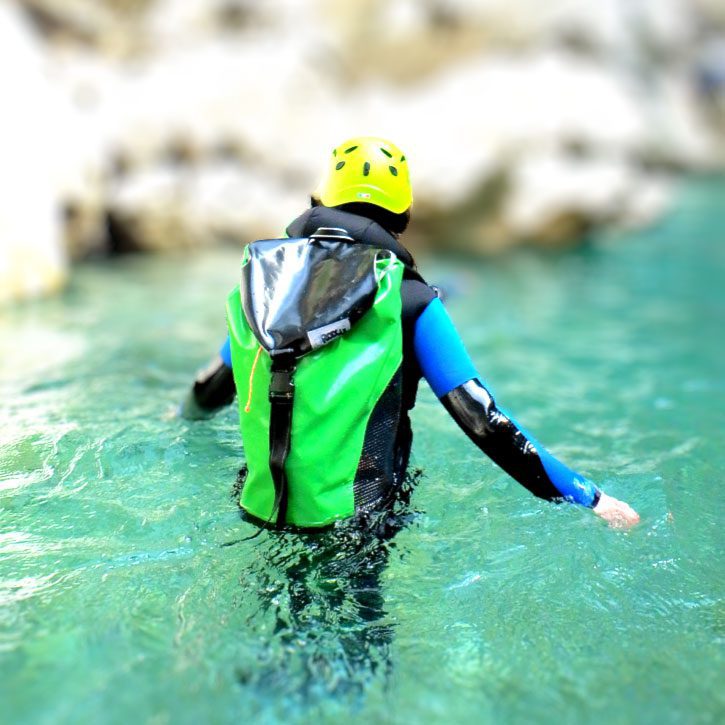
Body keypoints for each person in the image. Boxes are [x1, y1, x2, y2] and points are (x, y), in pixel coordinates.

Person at [181, 135, 639, 530]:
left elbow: (210, 387)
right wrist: (590, 497)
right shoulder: (411, 299)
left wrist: (179, 417)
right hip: (356, 527)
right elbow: (483, 419)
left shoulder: (265, 285)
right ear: (401, 218)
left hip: (260, 513)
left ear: (320, 201)